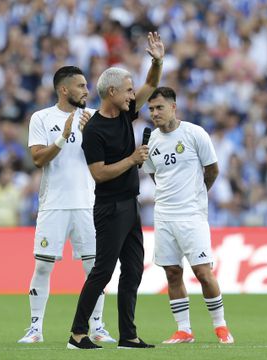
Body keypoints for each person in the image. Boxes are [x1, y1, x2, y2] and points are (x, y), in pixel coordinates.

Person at [67, 32, 164, 350]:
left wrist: (158, 61)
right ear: (111, 92)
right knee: (103, 270)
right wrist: (133, 159)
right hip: (110, 207)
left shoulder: (124, 112)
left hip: (129, 204)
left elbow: (150, 84)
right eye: (127, 90)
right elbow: (99, 173)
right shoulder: (94, 128)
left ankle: (128, 335)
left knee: (134, 269)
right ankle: (77, 333)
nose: (133, 95)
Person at [18, 66, 115, 344]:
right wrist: (63, 135)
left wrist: (93, 134)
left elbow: (107, 154)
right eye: (81, 86)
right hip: (54, 205)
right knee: (43, 267)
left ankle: (97, 326)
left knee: (94, 269)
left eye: (87, 85)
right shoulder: (42, 117)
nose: (87, 90)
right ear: (64, 89)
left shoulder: (95, 117)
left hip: (89, 204)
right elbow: (37, 159)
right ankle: (35, 328)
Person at [142, 87, 234, 344]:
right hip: (163, 216)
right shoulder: (151, 141)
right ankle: (184, 330)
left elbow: (212, 170)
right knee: (172, 272)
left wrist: (197, 195)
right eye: (150, 109)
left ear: (173, 107)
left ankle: (221, 326)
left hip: (192, 214)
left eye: (159, 107)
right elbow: (153, 174)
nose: (154, 113)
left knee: (203, 272)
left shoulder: (195, 134)